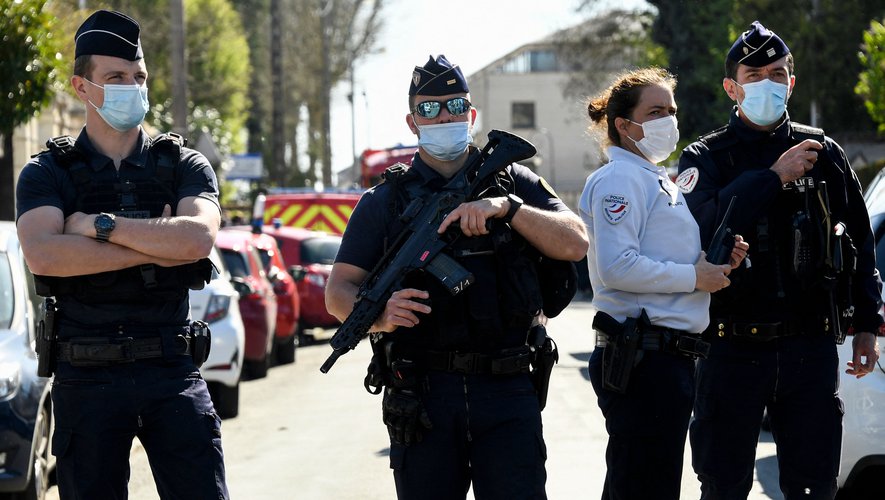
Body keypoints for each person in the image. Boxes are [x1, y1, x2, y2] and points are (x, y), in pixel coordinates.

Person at [325, 54, 589, 499]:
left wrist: (508, 208)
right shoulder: (382, 202)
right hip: (423, 392)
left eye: (453, 105)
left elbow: (576, 243)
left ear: (471, 114)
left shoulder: (514, 179)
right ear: (412, 122)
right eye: (429, 109)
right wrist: (380, 316)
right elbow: (338, 292)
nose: (443, 116)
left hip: (507, 386)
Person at [15, 10, 229, 499]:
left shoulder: (183, 165)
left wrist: (98, 228)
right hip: (86, 375)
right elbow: (44, 255)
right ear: (82, 86)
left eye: (139, 77)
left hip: (171, 370)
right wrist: (157, 247)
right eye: (116, 77)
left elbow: (196, 240)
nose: (132, 87)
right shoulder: (48, 172)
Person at [676, 21, 882, 500]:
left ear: (792, 82)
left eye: (778, 73)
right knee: (723, 486)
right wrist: (772, 176)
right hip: (731, 349)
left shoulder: (822, 150)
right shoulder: (705, 156)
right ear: (732, 87)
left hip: (807, 348)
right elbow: (704, 226)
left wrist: (868, 323)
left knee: (813, 486)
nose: (768, 83)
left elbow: (861, 238)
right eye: (755, 75)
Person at [578, 67, 748, 500]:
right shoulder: (620, 178)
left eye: (671, 111)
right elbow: (619, 266)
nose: (668, 121)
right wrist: (695, 275)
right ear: (623, 124)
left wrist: (713, 264)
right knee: (643, 485)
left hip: (664, 358)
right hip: (643, 359)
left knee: (637, 483)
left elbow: (660, 257)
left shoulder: (652, 177)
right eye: (655, 112)